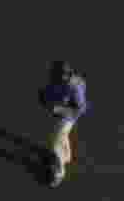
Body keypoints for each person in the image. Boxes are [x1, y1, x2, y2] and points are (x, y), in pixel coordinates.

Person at [39, 60, 88, 188]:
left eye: (57, 76)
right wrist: (45, 96)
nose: (54, 77)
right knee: (62, 137)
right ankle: (66, 156)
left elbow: (80, 109)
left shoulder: (75, 87)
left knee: (55, 143)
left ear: (66, 75)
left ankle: (58, 173)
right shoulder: (58, 79)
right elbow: (53, 89)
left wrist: (58, 109)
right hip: (61, 113)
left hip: (69, 117)